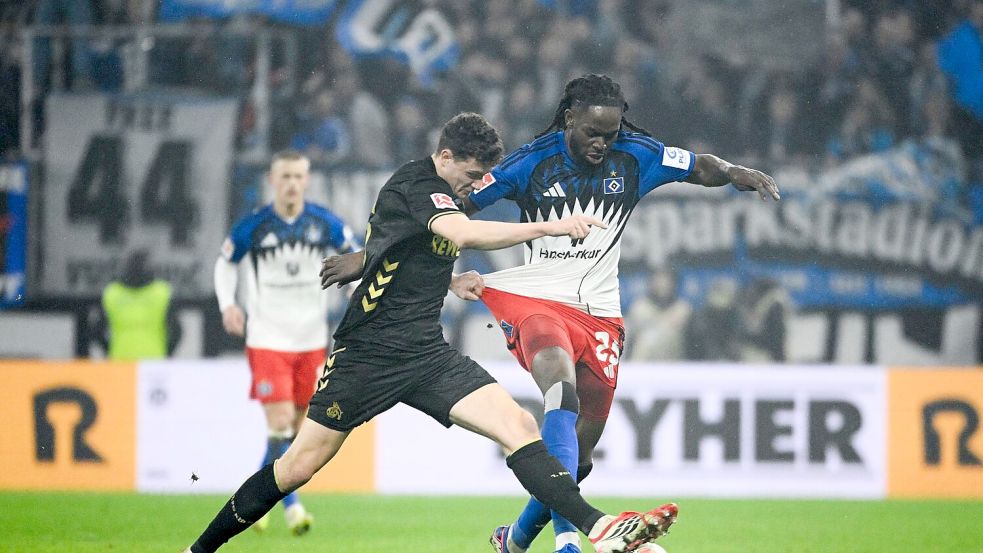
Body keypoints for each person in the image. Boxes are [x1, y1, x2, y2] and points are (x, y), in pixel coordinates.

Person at [324, 75, 779, 553]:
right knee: (558, 389)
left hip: (601, 314)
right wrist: (365, 257)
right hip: (537, 299)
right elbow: (445, 212)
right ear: (569, 120)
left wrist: (734, 171)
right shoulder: (530, 162)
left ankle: (514, 541)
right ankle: (571, 544)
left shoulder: (638, 154)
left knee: (577, 458)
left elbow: (698, 166)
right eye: (592, 132)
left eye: (611, 132)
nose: (603, 142)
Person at [184, 112, 677, 553]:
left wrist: (448, 278)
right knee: (297, 466)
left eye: (484, 176)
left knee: (520, 428)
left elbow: (401, 251)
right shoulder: (415, 186)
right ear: (444, 156)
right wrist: (549, 228)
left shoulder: (441, 195)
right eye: (471, 174)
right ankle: (199, 549)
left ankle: (602, 529)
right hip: (367, 355)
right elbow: (460, 233)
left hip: (426, 355)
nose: (477, 185)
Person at [213, 149, 359, 536]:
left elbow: (356, 254)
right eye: (285, 176)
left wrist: (353, 290)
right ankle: (289, 507)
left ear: (306, 181)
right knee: (279, 424)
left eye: (298, 176)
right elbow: (224, 263)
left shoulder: (323, 223)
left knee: (296, 431)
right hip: (267, 339)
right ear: (273, 181)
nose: (292, 183)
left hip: (311, 340)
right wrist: (228, 305)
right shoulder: (254, 226)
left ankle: (258, 500)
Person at [93, 249, 182, 360]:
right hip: (154, 360)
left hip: (120, 360)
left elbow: (96, 332)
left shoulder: (112, 293)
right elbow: (177, 332)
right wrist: (166, 354)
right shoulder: (162, 293)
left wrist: (110, 352)